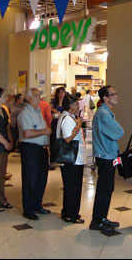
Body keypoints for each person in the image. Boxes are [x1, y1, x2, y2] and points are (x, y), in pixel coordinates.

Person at [89, 85, 124, 234]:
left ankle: (102, 217)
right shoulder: (103, 114)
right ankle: (97, 220)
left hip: (109, 155)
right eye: (113, 94)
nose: (116, 96)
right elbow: (119, 132)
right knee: (104, 188)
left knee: (107, 188)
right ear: (105, 98)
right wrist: (118, 130)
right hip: (105, 156)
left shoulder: (106, 113)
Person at [17, 88, 52, 220]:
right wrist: (45, 132)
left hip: (41, 149)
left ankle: (37, 204)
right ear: (29, 98)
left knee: (41, 178)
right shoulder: (25, 113)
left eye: (39, 96)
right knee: (30, 179)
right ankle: (29, 209)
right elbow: (28, 133)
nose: (39, 98)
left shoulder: (38, 111)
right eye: (36, 96)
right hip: (30, 149)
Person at [57, 94, 86, 224]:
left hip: (74, 159)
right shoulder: (67, 118)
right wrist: (78, 125)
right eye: (75, 104)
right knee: (73, 187)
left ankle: (68, 211)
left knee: (70, 187)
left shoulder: (67, 117)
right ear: (70, 105)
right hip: (72, 159)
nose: (77, 106)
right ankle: (72, 214)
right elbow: (68, 138)